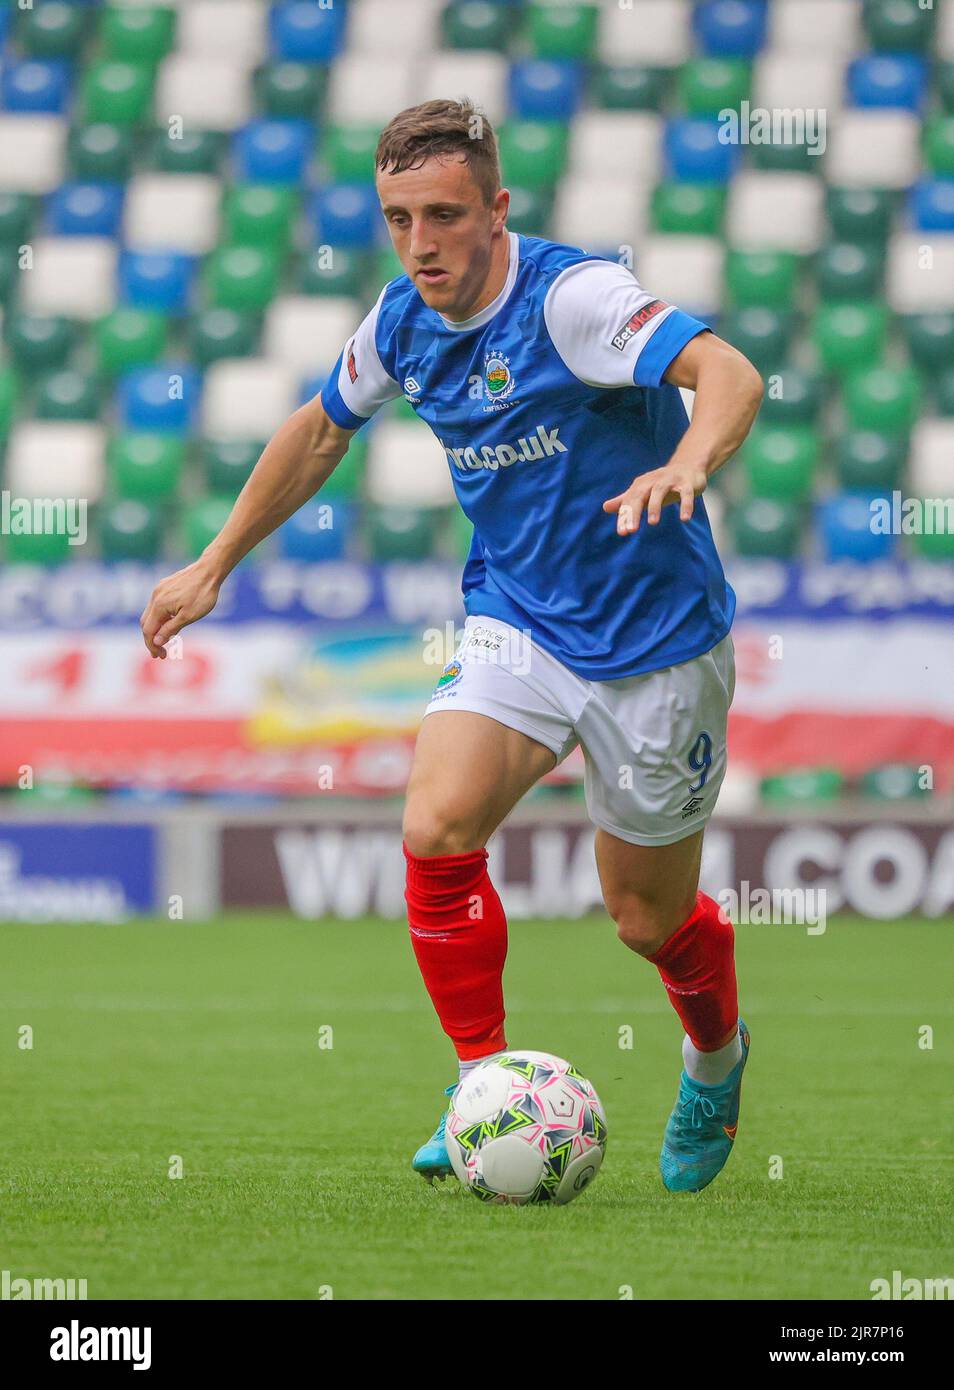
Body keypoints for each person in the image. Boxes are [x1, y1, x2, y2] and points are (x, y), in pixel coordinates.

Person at [140, 98, 763, 1195]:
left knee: (644, 918)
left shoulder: (575, 300)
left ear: (496, 209)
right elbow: (321, 427)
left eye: (444, 215)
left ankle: (715, 1060)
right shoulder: (401, 322)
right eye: (397, 218)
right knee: (434, 827)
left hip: (655, 641)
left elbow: (731, 375)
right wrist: (213, 561)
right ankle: (481, 1083)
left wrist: (689, 465)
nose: (421, 243)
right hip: (519, 619)